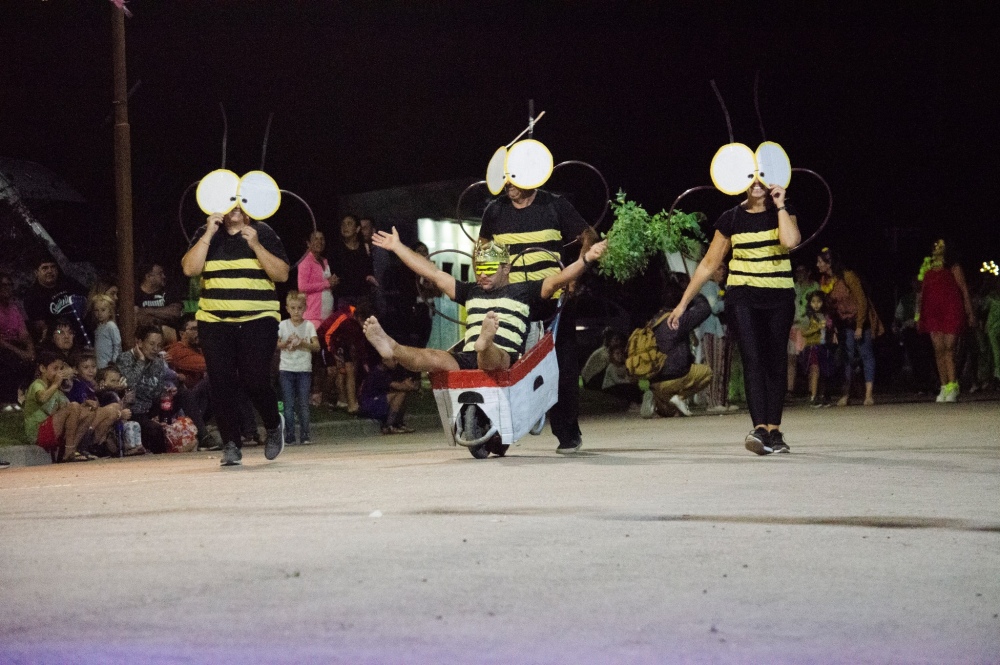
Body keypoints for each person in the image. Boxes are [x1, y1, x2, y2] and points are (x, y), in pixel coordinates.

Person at [363, 227, 607, 390]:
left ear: (505, 268)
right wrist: (397, 247)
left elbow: (560, 278)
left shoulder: (524, 290)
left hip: (506, 359)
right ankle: (392, 348)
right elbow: (431, 272)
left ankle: (486, 341)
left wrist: (586, 259)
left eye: (490, 268)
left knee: (492, 355)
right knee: (432, 357)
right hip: (469, 356)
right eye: (479, 268)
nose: (483, 274)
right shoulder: (471, 291)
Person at [667, 177, 800, 455]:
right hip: (743, 297)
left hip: (779, 296)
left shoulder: (783, 212)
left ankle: (775, 431)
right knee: (752, 358)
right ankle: (760, 429)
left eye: (762, 180)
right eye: (751, 179)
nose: (757, 185)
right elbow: (708, 264)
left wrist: (780, 205)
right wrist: (682, 304)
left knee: (775, 360)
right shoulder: (731, 218)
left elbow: (790, 241)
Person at [479, 182, 598, 453]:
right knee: (503, 364)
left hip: (552, 297)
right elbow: (483, 249)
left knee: (562, 367)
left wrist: (574, 276)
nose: (510, 187)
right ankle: (498, 435)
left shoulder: (555, 204)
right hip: (511, 300)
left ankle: (567, 433)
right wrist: (486, 283)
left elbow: (589, 235)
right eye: (506, 181)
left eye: (516, 182)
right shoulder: (494, 211)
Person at [181, 204, 290, 467]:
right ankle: (231, 444)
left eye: (240, 203)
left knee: (255, 378)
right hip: (215, 319)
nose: (235, 208)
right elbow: (190, 269)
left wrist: (256, 246)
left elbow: (282, 274)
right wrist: (208, 232)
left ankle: (274, 424)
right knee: (220, 381)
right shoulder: (205, 232)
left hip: (258, 317)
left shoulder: (262, 232)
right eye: (229, 203)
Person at [817, 247, 884, 407]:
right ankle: (845, 394)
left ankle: (868, 394)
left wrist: (860, 326)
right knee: (846, 357)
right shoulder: (825, 282)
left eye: (820, 262)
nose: (817, 265)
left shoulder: (848, 276)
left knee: (866, 354)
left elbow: (862, 301)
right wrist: (832, 329)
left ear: (829, 263)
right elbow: (829, 308)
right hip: (844, 323)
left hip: (859, 319)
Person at [917, 238, 976, 402]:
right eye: (935, 246)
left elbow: (963, 290)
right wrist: (918, 315)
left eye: (940, 246)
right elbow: (922, 295)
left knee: (949, 349)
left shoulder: (954, 267)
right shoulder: (928, 270)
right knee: (938, 350)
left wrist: (970, 313)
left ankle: (953, 385)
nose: (937, 248)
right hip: (933, 313)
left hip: (951, 311)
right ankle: (944, 386)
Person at [644, 279, 713, 418]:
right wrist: (692, 291)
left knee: (670, 412)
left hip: (655, 381)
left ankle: (655, 398)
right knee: (707, 373)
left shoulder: (653, 321)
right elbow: (705, 309)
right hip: (676, 376)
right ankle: (680, 398)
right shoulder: (678, 320)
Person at [23, 350, 98, 462]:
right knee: (73, 406)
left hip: (53, 430)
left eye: (61, 369)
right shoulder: (37, 384)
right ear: (43, 368)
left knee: (89, 411)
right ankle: (69, 452)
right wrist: (56, 384)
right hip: (38, 433)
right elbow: (42, 398)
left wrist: (85, 404)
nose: (59, 373)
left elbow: (71, 411)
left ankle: (71, 449)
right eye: (55, 369)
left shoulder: (56, 390)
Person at [115, 325, 171, 454]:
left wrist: (166, 393)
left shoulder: (157, 363)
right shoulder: (124, 358)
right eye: (151, 344)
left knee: (182, 393)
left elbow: (157, 392)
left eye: (159, 345)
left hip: (150, 407)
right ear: (139, 342)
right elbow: (130, 384)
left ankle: (204, 436)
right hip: (133, 410)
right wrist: (141, 361)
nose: (155, 349)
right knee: (155, 430)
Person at [65, 350, 129, 455]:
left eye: (93, 367)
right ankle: (83, 442)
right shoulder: (76, 384)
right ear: (76, 370)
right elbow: (77, 407)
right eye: (86, 368)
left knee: (114, 410)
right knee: (112, 410)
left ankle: (93, 445)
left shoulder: (89, 384)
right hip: (78, 420)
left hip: (89, 418)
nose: (91, 371)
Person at [277, 291, 319, 445]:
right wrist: (286, 343)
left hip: (303, 370)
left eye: (299, 308)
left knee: (303, 404)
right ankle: (289, 435)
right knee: (288, 405)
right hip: (287, 369)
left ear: (305, 308)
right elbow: (276, 344)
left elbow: (316, 346)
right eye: (293, 308)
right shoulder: (282, 325)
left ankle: (305, 434)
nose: (296, 311)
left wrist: (302, 343)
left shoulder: (309, 326)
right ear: (287, 308)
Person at [22, 256, 87, 344]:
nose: (50, 271)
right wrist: (63, 333)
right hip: (58, 335)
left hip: (82, 327)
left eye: (53, 267)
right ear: (36, 272)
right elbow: (41, 327)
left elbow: (88, 297)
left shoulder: (68, 282)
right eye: (45, 268)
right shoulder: (32, 295)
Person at [0, 271, 34, 410]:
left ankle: (27, 398)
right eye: (2, 285)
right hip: (4, 346)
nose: (6, 288)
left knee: (38, 359)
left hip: (15, 345)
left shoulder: (14, 308)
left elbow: (24, 334)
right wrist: (20, 352)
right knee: (11, 360)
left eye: (9, 285)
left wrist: (31, 350)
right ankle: (7, 400)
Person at [358, 359, 420, 434]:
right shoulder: (378, 373)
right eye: (393, 360)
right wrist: (413, 387)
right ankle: (389, 425)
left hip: (379, 401)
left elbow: (404, 383)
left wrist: (408, 386)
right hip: (369, 404)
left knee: (403, 394)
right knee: (401, 394)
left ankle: (398, 423)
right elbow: (399, 386)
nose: (396, 362)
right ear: (384, 361)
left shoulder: (390, 371)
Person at [330, 215, 377, 310]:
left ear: (357, 228)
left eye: (349, 224)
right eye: (343, 224)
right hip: (344, 297)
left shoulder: (365, 248)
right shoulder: (336, 249)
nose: (345, 227)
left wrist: (371, 278)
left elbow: (369, 270)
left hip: (363, 297)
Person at [798, 290, 835, 406]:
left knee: (825, 371)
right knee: (815, 370)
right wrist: (817, 328)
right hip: (813, 346)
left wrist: (830, 328)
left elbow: (830, 329)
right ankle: (813, 396)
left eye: (819, 301)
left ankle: (822, 395)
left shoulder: (825, 315)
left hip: (824, 346)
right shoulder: (807, 317)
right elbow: (804, 333)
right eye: (813, 302)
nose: (816, 304)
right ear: (809, 303)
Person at [788, 263, 819, 398]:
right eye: (797, 271)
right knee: (792, 358)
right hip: (795, 326)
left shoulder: (815, 286)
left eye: (802, 271)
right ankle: (790, 390)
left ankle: (812, 391)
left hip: (810, 326)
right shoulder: (794, 287)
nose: (799, 274)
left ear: (808, 272)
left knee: (812, 359)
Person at [135, 262, 184, 345]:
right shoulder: (135, 294)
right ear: (148, 276)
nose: (163, 276)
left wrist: (147, 311)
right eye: (160, 274)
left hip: (168, 335)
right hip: (143, 337)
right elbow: (136, 316)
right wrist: (161, 314)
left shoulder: (169, 291)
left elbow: (175, 312)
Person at [89, 293, 121, 370]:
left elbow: (117, 345)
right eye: (96, 310)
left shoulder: (111, 326)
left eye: (103, 310)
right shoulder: (98, 327)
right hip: (99, 364)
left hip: (108, 365)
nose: (99, 313)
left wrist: (114, 363)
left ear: (110, 311)